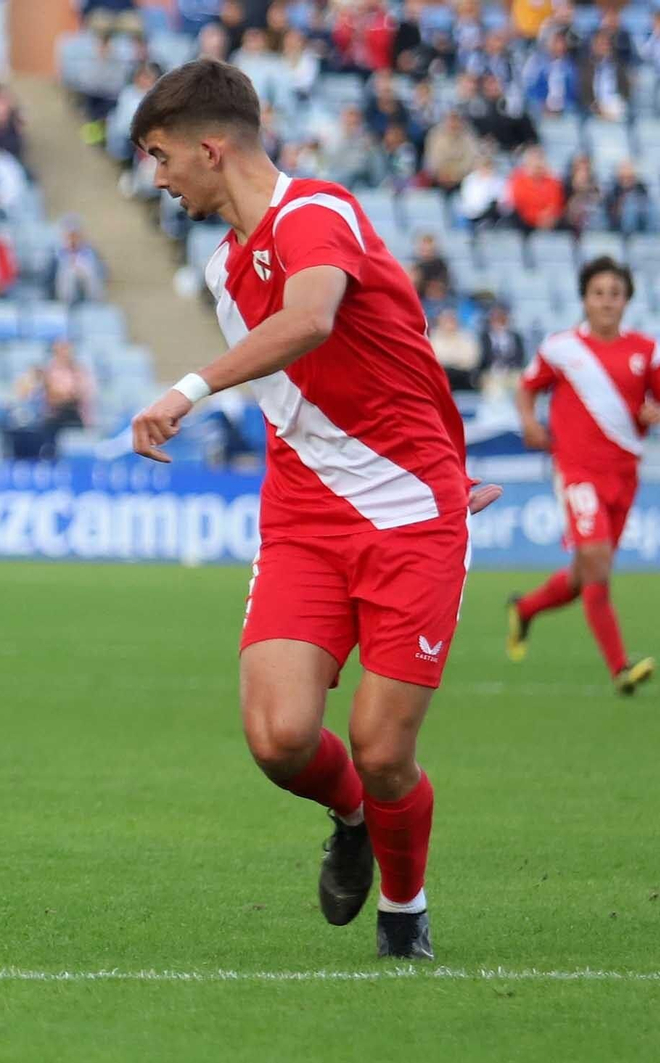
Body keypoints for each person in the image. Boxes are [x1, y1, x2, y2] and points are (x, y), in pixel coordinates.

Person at [127, 59, 501, 961]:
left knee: (381, 748)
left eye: (160, 155)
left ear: (211, 149)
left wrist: (186, 387)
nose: (158, 176)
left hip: (409, 513)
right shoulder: (223, 266)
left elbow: (313, 319)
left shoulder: (319, 214)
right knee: (280, 737)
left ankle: (405, 913)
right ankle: (351, 819)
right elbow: (330, 385)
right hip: (304, 515)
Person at [509, 257, 660, 694]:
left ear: (627, 301)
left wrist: (659, 412)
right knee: (598, 563)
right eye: (598, 293)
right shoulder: (561, 348)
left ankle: (526, 608)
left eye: (615, 293)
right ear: (585, 298)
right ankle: (620, 668)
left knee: (588, 569)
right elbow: (527, 387)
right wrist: (529, 422)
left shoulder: (647, 349)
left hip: (624, 475)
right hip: (577, 472)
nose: (607, 301)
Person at [49, 217, 107, 304]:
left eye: (75, 236)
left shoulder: (90, 251)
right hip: (62, 288)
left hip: (86, 282)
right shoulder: (56, 253)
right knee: (69, 273)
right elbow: (50, 276)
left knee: (87, 268)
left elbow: (103, 271)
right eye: (70, 236)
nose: (73, 239)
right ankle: (67, 303)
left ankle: (95, 303)